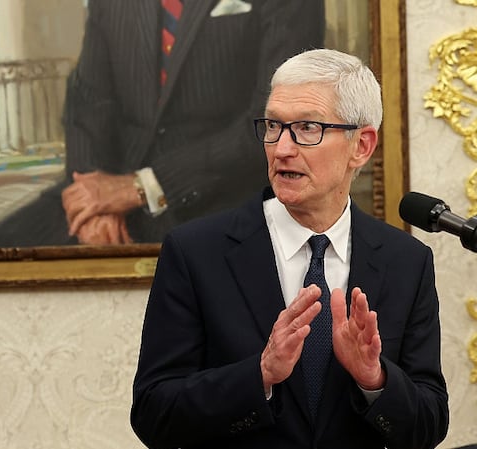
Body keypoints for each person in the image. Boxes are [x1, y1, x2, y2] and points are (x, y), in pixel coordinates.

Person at [130, 49, 449, 449]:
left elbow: (429, 425)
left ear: (362, 145)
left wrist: (375, 380)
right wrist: (260, 374)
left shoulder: (407, 261)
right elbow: (153, 414)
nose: (281, 149)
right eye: (273, 126)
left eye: (307, 128)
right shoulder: (196, 252)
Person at [0, 0, 324, 248]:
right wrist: (91, 202)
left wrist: (143, 186)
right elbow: (88, 103)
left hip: (217, 198)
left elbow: (274, 126)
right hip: (112, 191)